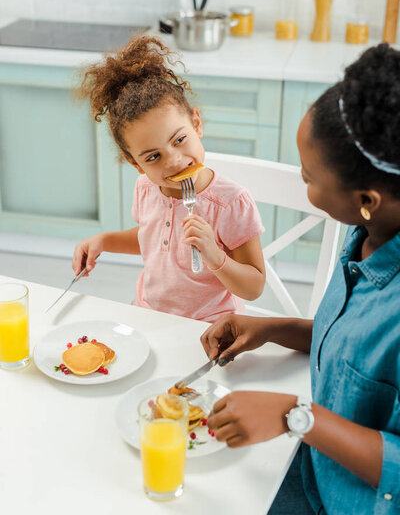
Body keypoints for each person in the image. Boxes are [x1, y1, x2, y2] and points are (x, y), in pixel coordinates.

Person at [201, 43, 400, 514]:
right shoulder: (366, 235)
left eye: (309, 176)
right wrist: (270, 329)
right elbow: (356, 358)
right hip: (306, 462)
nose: (301, 181)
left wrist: (295, 415)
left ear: (366, 197)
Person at [72, 36, 265, 322]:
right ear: (134, 163)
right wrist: (105, 240)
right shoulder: (146, 188)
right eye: (153, 157)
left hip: (212, 325)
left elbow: (254, 287)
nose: (174, 161)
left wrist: (215, 255)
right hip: (150, 314)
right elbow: (152, 239)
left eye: (179, 139)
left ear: (196, 124)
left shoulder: (231, 203)